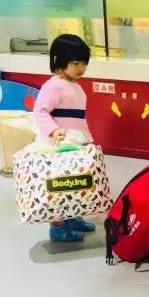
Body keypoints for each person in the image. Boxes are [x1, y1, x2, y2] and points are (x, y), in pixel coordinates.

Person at [33, 34, 96, 242]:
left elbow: (79, 118)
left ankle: (73, 217)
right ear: (59, 60)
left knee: (74, 182)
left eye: (84, 63)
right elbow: (40, 111)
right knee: (60, 185)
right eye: (76, 63)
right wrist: (53, 130)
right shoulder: (53, 86)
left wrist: (87, 140)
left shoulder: (76, 87)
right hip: (58, 144)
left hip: (75, 142)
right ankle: (58, 227)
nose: (81, 68)